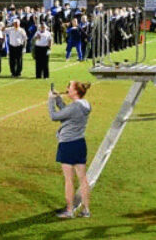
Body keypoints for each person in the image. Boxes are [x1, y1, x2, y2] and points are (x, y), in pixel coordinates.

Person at [49, 81, 92, 219]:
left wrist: (50, 100)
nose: (67, 89)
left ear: (75, 92)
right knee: (82, 178)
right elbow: (67, 112)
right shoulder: (85, 105)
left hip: (68, 144)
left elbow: (55, 116)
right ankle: (86, 210)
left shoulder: (74, 107)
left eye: (69, 87)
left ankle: (69, 210)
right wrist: (58, 99)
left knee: (69, 179)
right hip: (80, 143)